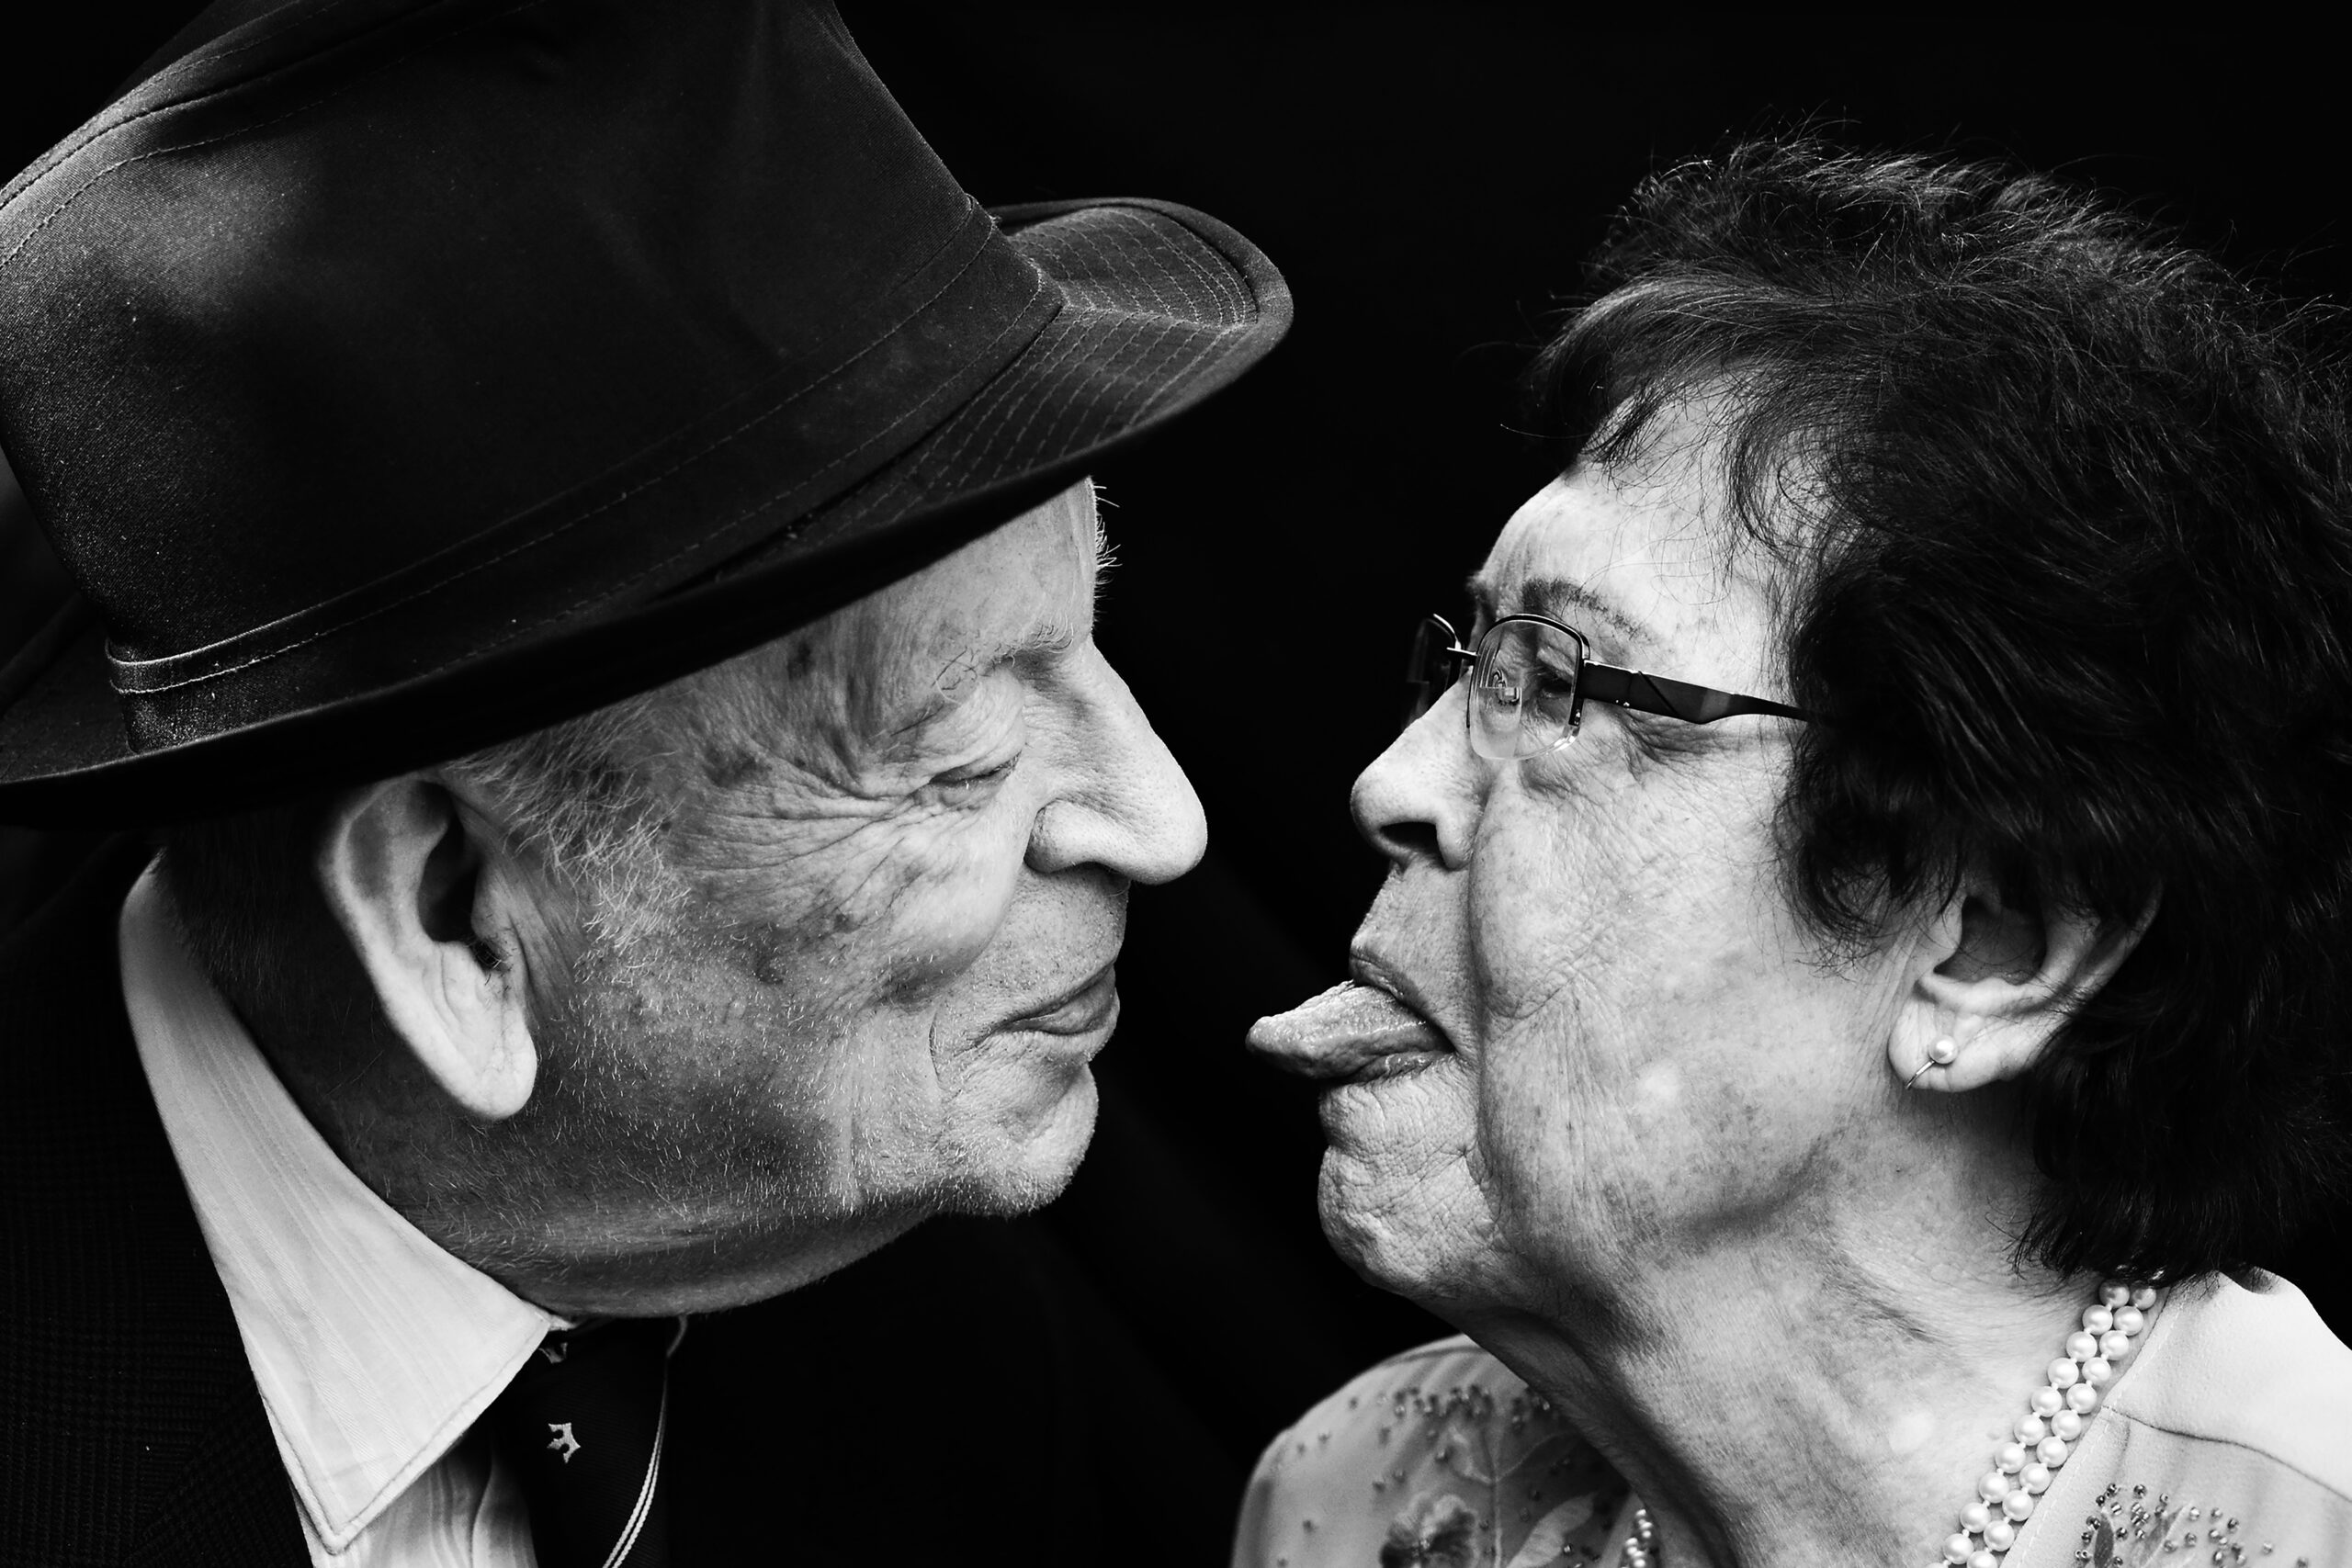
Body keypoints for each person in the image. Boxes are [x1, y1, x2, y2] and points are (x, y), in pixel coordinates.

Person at [0, 2, 1288, 1563]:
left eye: (1086, 640)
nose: (1163, 820)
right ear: (453, 912)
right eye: (961, 749)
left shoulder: (928, 1320)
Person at [1237, 140, 2352, 1568]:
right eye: (1467, 667)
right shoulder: (1360, 1500)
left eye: (1560, 680)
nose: (1388, 786)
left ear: (1988, 947)